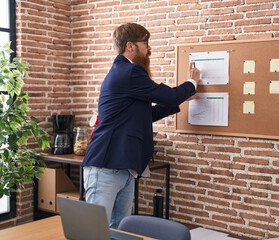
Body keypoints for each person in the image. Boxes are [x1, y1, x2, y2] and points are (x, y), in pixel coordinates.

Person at [82, 22, 200, 228]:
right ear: (130, 46)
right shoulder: (129, 72)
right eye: (145, 43)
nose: (149, 49)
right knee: (95, 231)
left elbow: (146, 114)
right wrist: (192, 84)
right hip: (106, 166)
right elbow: (168, 95)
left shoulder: (126, 74)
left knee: (120, 229)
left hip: (124, 168)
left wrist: (179, 99)